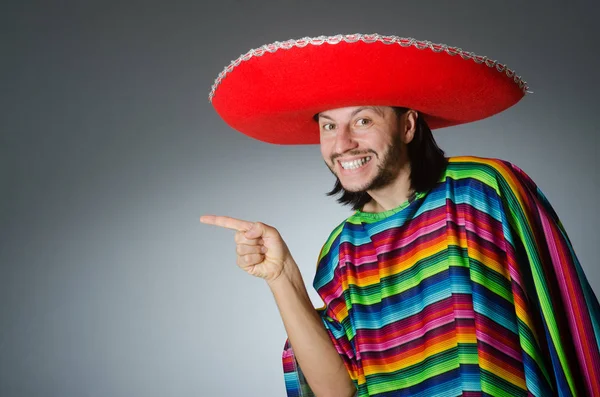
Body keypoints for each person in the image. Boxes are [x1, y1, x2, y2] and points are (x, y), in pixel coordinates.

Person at [201, 34, 600, 397]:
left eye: (362, 120)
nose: (342, 144)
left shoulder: (482, 189)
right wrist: (282, 275)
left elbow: (565, 318)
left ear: (408, 126)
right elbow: (336, 391)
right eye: (328, 126)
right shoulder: (342, 250)